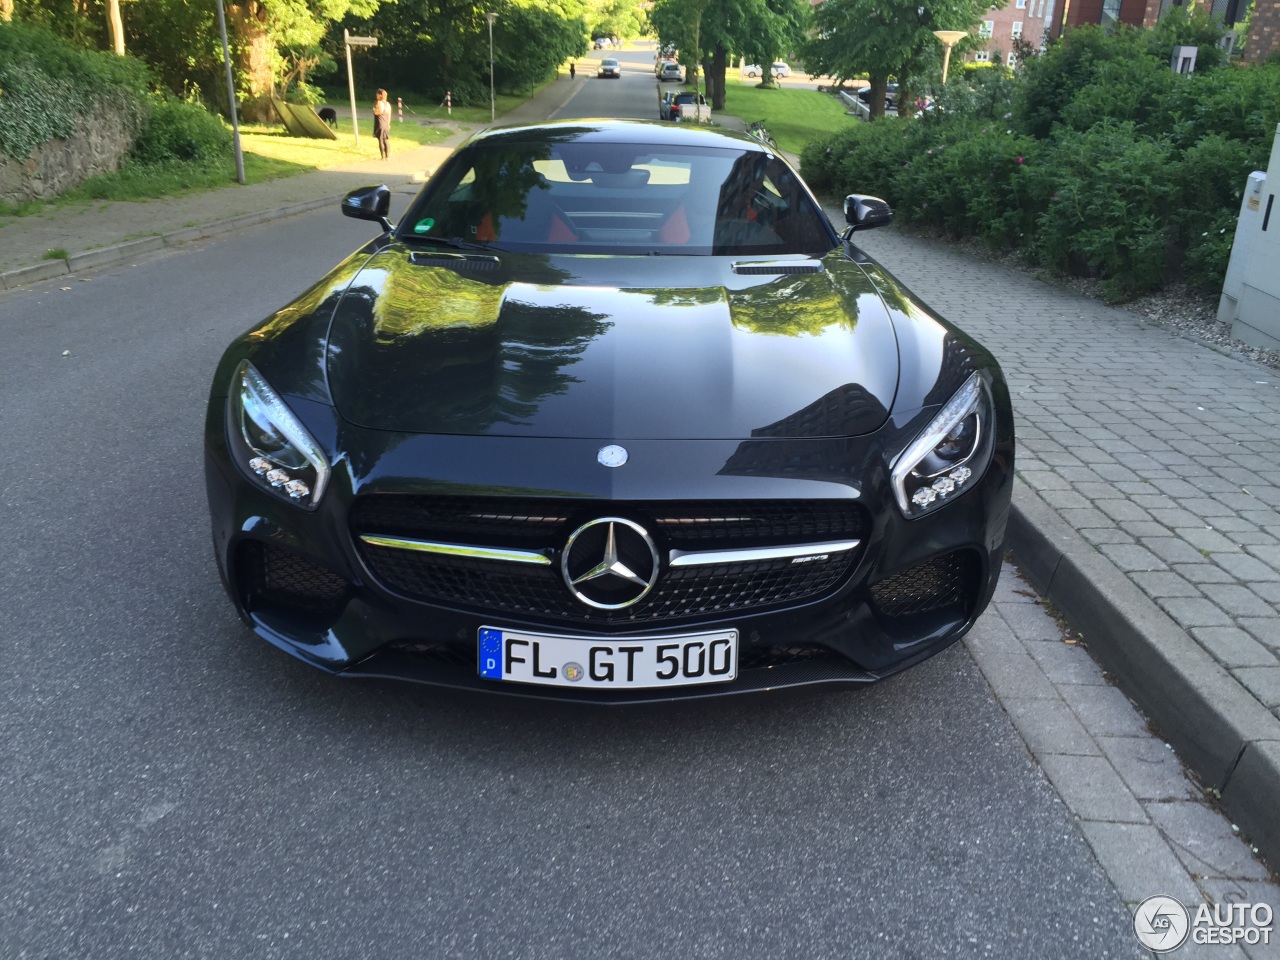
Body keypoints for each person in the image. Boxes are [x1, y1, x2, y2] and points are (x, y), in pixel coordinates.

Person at [372, 89, 391, 160]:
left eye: (377, 94)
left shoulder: (379, 103)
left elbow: (377, 112)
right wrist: (388, 124)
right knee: (386, 140)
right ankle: (388, 156)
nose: (376, 95)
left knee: (380, 140)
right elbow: (389, 115)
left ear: (380, 95)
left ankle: (383, 156)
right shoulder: (388, 104)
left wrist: (374, 109)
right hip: (386, 124)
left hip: (380, 124)